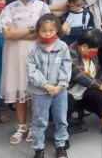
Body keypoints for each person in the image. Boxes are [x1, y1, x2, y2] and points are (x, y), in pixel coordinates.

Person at [0, 0, 51, 145]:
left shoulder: (42, 7)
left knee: (35, 93)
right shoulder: (9, 9)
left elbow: (44, 33)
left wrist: (18, 32)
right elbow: (7, 35)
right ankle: (21, 126)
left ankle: (35, 126)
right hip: (14, 54)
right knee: (19, 91)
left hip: (36, 53)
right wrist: (30, 30)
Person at [27, 14, 71, 158]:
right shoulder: (33, 50)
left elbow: (66, 67)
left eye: (51, 30)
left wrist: (61, 85)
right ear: (38, 31)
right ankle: (38, 148)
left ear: (57, 30)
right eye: (44, 31)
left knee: (61, 119)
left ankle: (61, 146)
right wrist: (45, 85)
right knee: (39, 121)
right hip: (40, 92)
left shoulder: (63, 47)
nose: (48, 34)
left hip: (60, 91)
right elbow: (32, 71)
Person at [67, 28, 102, 140]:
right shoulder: (69, 53)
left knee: (97, 94)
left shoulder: (91, 53)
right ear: (84, 47)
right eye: (95, 50)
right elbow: (80, 76)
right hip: (69, 90)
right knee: (66, 103)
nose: (96, 52)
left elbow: (97, 72)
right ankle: (61, 133)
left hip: (85, 89)